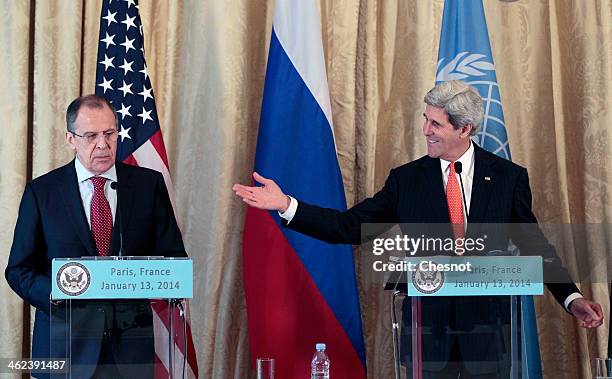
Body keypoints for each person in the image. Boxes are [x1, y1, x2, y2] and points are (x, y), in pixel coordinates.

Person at [233, 80, 603, 377]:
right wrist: (285, 205)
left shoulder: (508, 178)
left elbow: (533, 244)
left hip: (488, 336)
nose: (425, 130)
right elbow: (347, 228)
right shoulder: (407, 180)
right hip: (428, 339)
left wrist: (571, 299)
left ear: (465, 129)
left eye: (435, 124)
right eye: (425, 119)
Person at [5, 95, 186, 378]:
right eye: (90, 136)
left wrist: (151, 278)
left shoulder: (147, 186)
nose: (102, 144)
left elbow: (174, 259)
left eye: (109, 134)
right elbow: (18, 270)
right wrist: (58, 292)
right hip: (64, 346)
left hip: (129, 350)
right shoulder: (42, 193)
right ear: (70, 139)